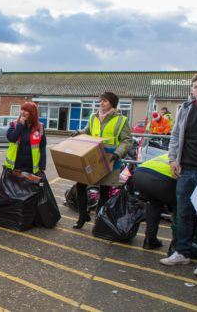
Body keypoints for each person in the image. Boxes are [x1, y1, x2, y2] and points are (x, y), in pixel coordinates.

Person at [160, 71, 197, 278]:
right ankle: (182, 252)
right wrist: (172, 159)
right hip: (185, 170)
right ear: (192, 89)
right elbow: (175, 136)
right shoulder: (186, 109)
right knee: (184, 213)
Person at [72, 92, 132, 229]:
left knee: (104, 191)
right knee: (80, 185)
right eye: (100, 101)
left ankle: (98, 221)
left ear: (112, 103)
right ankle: (82, 216)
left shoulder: (121, 120)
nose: (101, 103)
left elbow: (127, 141)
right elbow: (87, 131)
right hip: (92, 157)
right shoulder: (94, 117)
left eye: (104, 101)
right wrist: (79, 133)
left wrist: (117, 154)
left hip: (110, 159)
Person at [132, 153, 176, 249]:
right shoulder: (188, 158)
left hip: (139, 174)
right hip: (160, 179)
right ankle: (176, 247)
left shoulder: (171, 153)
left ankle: (149, 240)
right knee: (179, 207)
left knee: (154, 204)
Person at [5, 102, 47, 176]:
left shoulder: (40, 127)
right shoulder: (14, 124)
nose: (22, 112)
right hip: (15, 168)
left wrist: (42, 167)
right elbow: (12, 138)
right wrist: (20, 125)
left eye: (26, 110)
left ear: (32, 113)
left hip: (31, 169)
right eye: (22, 109)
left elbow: (42, 148)